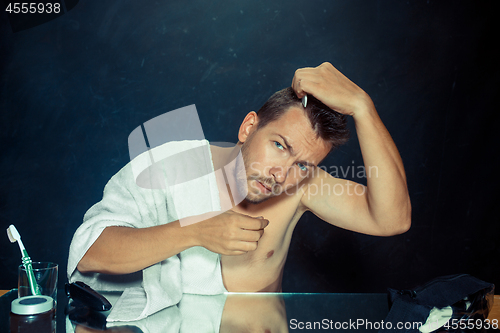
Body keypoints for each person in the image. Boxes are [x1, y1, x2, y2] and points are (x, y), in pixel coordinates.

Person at [72, 62, 411, 294]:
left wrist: (363, 107)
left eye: (303, 164)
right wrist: (195, 231)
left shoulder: (302, 185)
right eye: (279, 145)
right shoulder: (171, 165)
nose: (282, 174)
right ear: (249, 127)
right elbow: (89, 253)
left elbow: (393, 219)